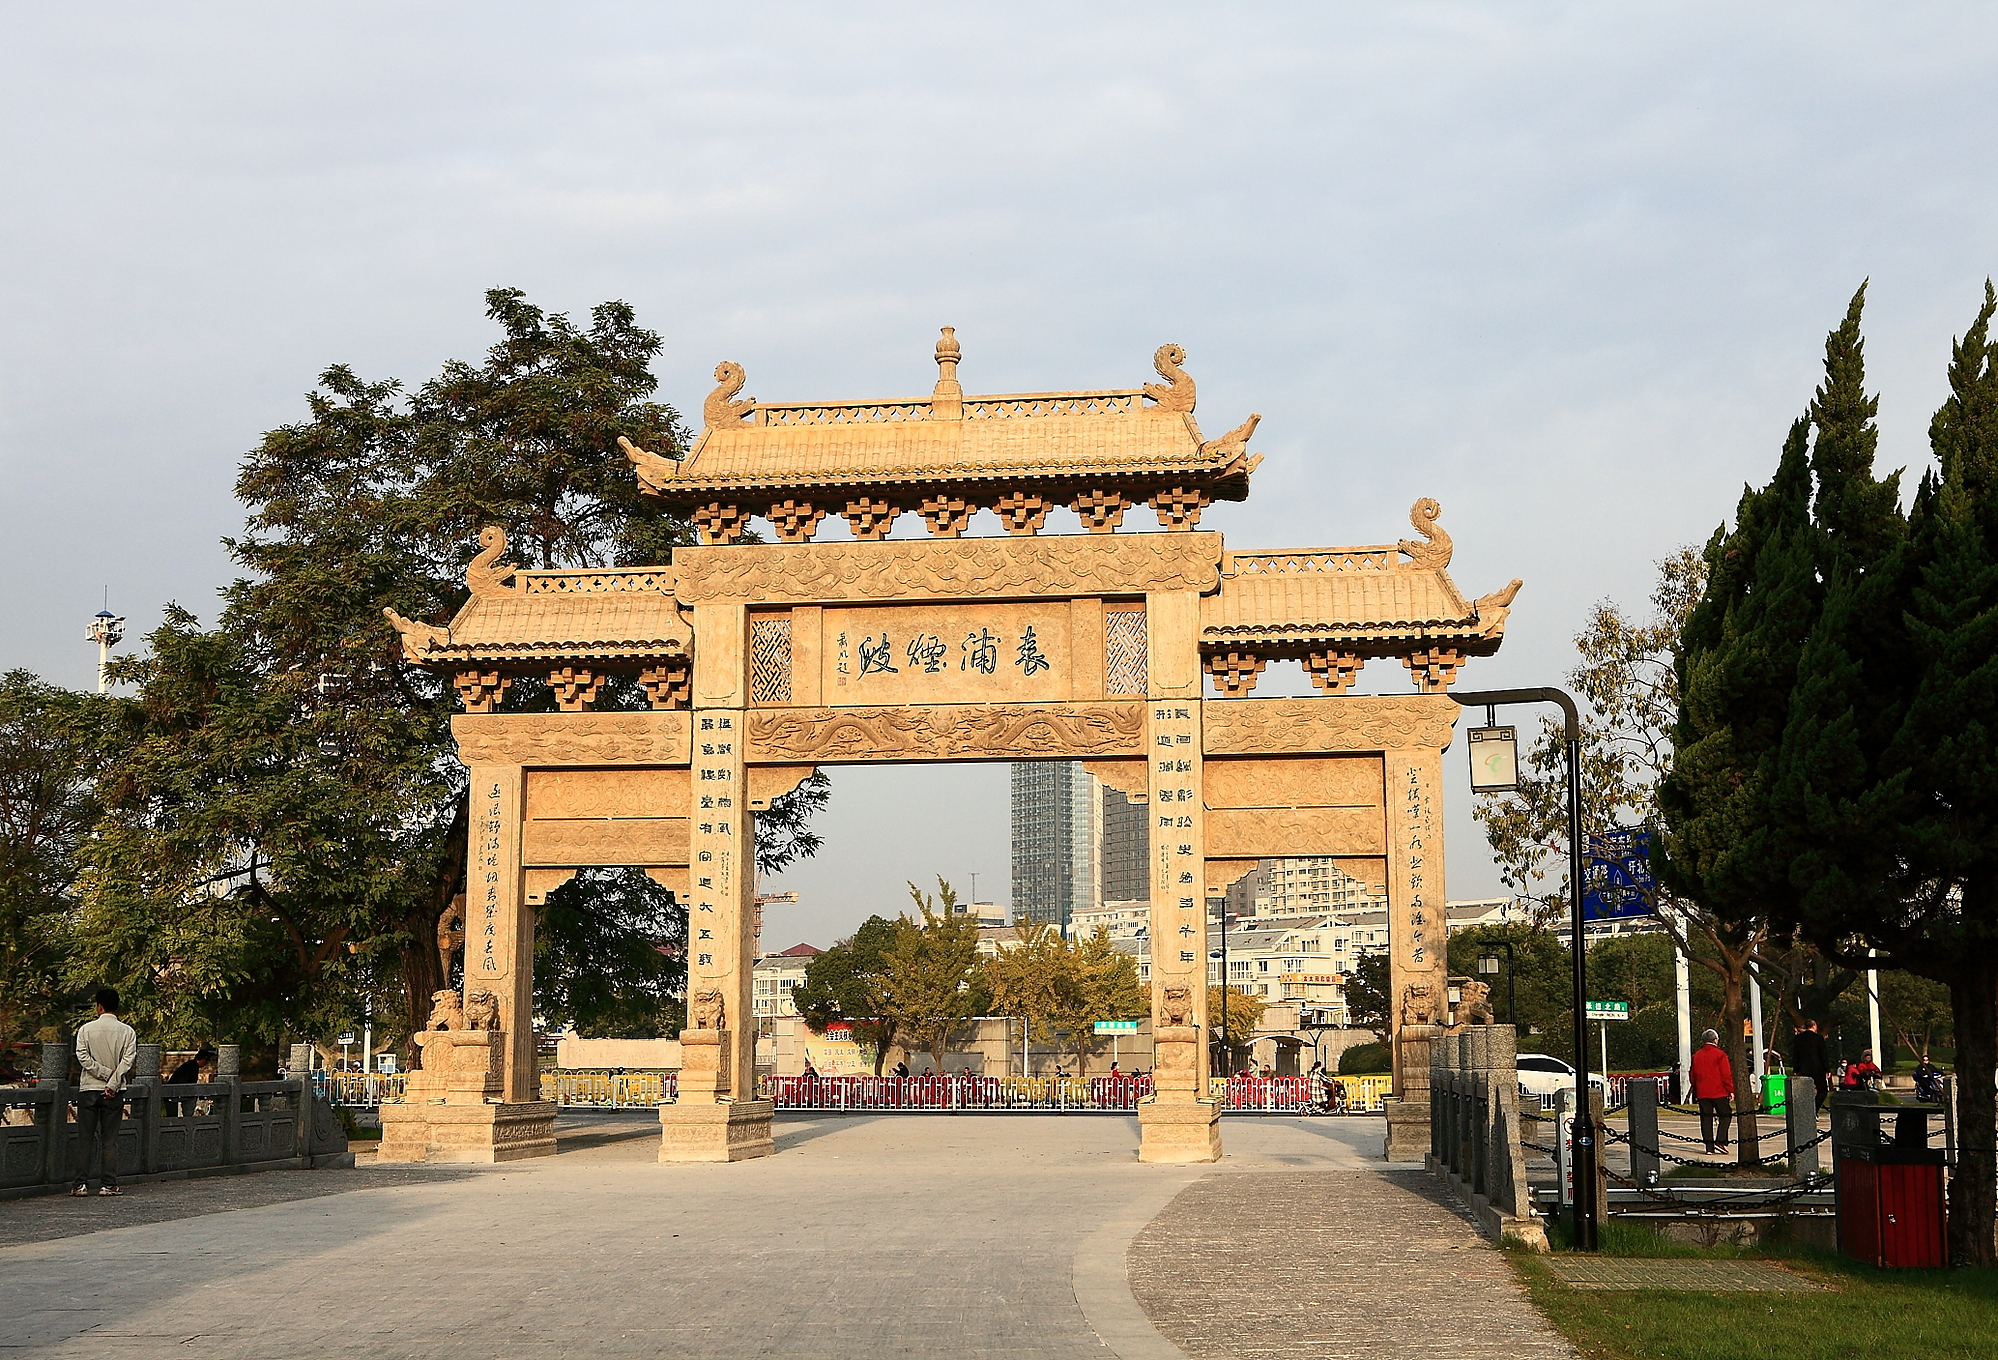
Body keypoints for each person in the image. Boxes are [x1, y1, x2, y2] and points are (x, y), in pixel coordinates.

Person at [73, 987, 136, 1197]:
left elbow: (82, 1057)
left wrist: (102, 1074)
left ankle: (80, 1185)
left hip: (89, 1089)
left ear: (99, 1007)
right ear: (116, 1007)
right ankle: (108, 1184)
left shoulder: (85, 1030)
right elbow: (128, 1060)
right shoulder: (127, 1031)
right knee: (110, 1140)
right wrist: (113, 1081)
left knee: (85, 1138)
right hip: (114, 1092)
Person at [1689, 1028, 1734, 1155]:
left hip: (1702, 1092)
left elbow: (1692, 1075)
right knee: (1726, 1114)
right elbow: (1726, 1074)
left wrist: (1696, 1088)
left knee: (1706, 1119)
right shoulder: (1720, 1054)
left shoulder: (1696, 1055)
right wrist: (1730, 1090)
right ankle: (1720, 1140)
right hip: (1718, 1091)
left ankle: (1709, 1147)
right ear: (1715, 1040)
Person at [1790, 1019, 1831, 1111]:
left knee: (1805, 1090)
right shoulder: (1819, 1038)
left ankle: (1805, 1111)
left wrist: (1796, 1069)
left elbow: (1795, 1055)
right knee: (1823, 1090)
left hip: (1803, 1068)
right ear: (1814, 1026)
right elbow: (1823, 1055)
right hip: (1818, 1068)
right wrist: (1827, 1069)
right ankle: (1814, 1109)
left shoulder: (1798, 1038)